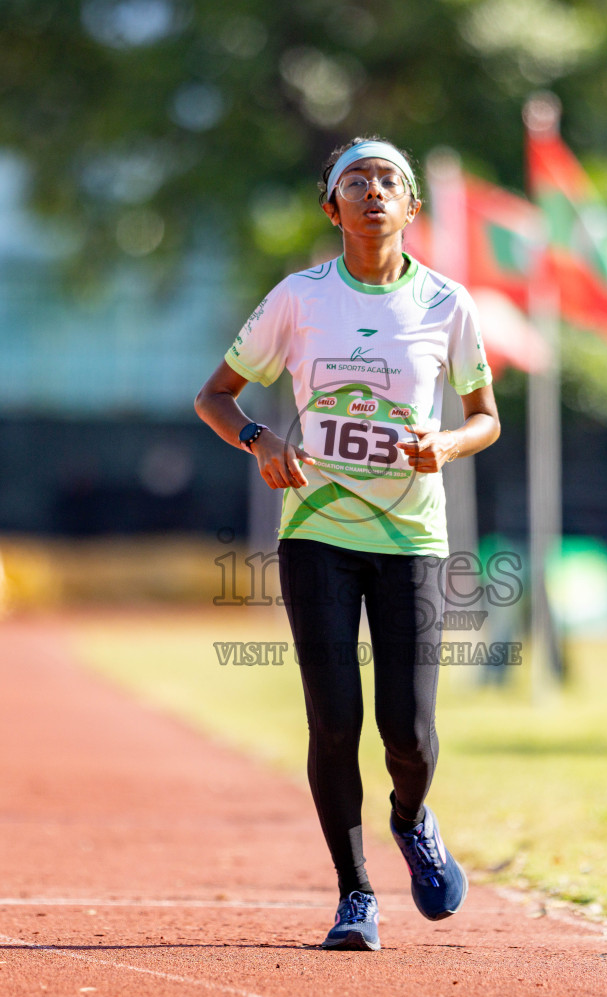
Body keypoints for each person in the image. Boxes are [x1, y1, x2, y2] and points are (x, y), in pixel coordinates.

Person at [195, 137, 501, 951]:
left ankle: (412, 817)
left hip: (411, 535)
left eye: (388, 182)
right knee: (334, 719)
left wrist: (448, 443)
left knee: (408, 731)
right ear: (332, 207)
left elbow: (485, 415)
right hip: (317, 529)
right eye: (355, 182)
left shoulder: (446, 302)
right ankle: (354, 894)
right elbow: (216, 396)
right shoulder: (300, 297)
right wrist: (260, 439)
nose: (373, 192)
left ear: (411, 207)